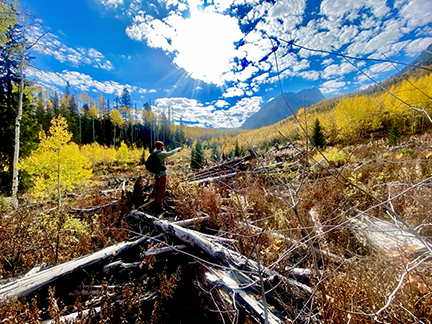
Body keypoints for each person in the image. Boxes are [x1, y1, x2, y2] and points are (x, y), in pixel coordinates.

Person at [152, 141, 183, 208]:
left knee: (156, 189)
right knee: (161, 190)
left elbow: (158, 163)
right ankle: (159, 205)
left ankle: (156, 202)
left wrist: (165, 163)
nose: (163, 147)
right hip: (162, 175)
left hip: (156, 175)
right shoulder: (160, 154)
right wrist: (177, 149)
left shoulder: (154, 153)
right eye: (162, 146)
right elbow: (170, 153)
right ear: (161, 147)